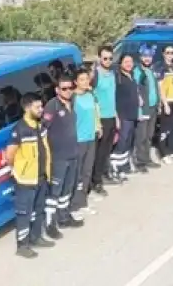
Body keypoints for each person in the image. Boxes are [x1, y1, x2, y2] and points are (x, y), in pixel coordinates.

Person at [7, 92, 55, 258]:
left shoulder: (40, 125)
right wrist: (19, 170)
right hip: (26, 180)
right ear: (27, 108)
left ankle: (36, 237)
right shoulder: (19, 129)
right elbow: (10, 154)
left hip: (41, 176)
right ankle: (22, 245)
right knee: (24, 213)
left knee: (38, 210)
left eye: (41, 106)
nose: (41, 109)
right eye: (37, 107)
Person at [42, 74, 83, 240]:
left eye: (70, 88)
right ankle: (50, 224)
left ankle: (64, 217)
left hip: (72, 153)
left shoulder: (72, 103)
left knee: (67, 189)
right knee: (55, 192)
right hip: (58, 157)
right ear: (57, 90)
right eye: (64, 88)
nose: (68, 91)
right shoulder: (52, 106)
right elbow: (43, 130)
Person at [69, 69, 101, 215]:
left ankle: (83, 201)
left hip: (90, 137)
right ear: (75, 82)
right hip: (78, 139)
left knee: (87, 171)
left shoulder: (90, 95)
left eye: (86, 79)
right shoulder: (73, 98)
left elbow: (95, 112)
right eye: (81, 79)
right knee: (77, 173)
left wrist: (98, 126)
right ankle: (73, 204)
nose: (85, 82)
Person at [90, 45, 118, 193]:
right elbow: (91, 98)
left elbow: (112, 97)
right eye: (105, 58)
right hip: (100, 119)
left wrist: (116, 116)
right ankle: (96, 181)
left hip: (111, 116)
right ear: (99, 58)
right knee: (99, 152)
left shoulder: (112, 74)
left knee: (107, 150)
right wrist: (97, 122)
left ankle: (104, 174)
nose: (107, 61)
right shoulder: (96, 75)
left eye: (110, 58)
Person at [110, 54, 141, 178]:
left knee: (128, 142)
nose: (129, 64)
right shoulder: (118, 78)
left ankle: (123, 167)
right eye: (126, 61)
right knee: (121, 143)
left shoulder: (132, 76)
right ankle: (115, 168)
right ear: (120, 63)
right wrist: (116, 116)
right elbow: (113, 98)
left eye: (131, 61)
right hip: (123, 115)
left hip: (132, 114)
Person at [133, 45, 161, 170]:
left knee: (149, 135)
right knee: (141, 136)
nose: (147, 59)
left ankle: (147, 158)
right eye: (145, 56)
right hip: (143, 108)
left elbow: (155, 88)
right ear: (140, 57)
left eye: (149, 56)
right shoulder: (137, 71)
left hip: (153, 107)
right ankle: (140, 161)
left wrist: (158, 103)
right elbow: (135, 88)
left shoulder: (152, 70)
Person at [155, 46, 173, 164]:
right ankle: (163, 153)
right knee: (164, 129)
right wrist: (164, 103)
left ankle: (171, 150)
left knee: (172, 128)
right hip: (166, 102)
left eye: (172, 52)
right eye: (167, 52)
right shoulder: (161, 68)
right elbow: (160, 87)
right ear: (163, 54)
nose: (170, 55)